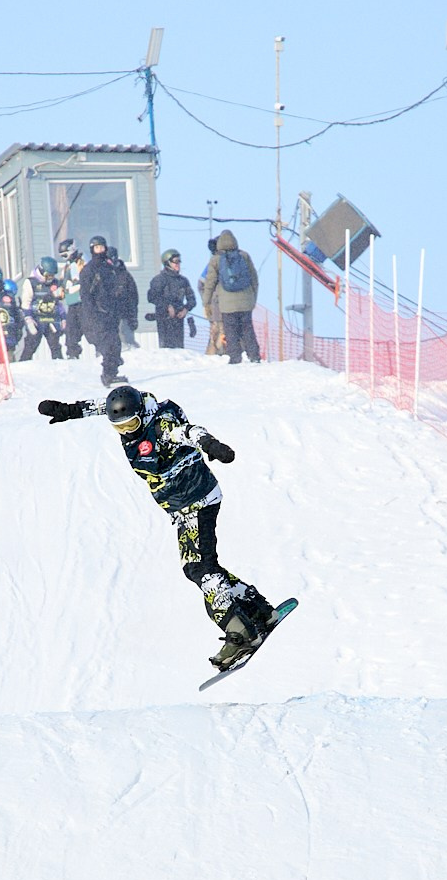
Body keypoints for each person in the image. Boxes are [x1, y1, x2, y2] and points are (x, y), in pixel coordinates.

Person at [38, 384, 282, 669]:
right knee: (198, 567)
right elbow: (101, 406)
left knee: (201, 569)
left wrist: (212, 445)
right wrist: (68, 411)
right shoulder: (129, 409)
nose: (127, 431)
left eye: (132, 424)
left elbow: (189, 432)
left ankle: (239, 631)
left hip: (197, 501)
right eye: (120, 427)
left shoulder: (162, 426)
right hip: (183, 506)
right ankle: (256, 609)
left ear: (142, 414)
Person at [79, 238, 137, 385]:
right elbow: (85, 295)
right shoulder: (89, 269)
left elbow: (122, 290)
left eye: (101, 247)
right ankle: (107, 374)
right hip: (97, 315)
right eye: (96, 248)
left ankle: (111, 373)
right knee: (109, 344)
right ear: (92, 249)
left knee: (116, 344)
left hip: (112, 313)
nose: (100, 251)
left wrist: (126, 313)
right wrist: (92, 313)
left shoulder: (111, 269)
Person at [208, 230, 261, 364]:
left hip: (227, 304)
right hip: (246, 302)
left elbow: (210, 282)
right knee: (247, 329)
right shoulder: (244, 256)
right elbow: (254, 278)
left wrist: (206, 302)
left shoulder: (216, 259)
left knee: (230, 331)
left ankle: (235, 357)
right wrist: (253, 298)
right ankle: (254, 355)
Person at [88, 237, 136, 349]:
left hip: (123, 314)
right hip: (106, 313)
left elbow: (133, 297)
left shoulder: (125, 275)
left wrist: (133, 316)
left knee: (126, 339)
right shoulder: (100, 272)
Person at [17, 257, 67, 361]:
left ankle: (60, 366)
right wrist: (28, 319)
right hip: (37, 319)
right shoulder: (31, 283)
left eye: (52, 276)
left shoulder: (55, 283)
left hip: (51, 319)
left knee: (55, 346)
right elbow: (26, 303)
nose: (50, 278)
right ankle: (23, 365)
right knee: (31, 344)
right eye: (48, 276)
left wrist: (63, 318)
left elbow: (59, 304)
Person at [148, 249, 197, 349]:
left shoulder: (183, 281)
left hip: (178, 319)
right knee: (166, 349)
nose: (178, 264)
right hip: (164, 318)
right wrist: (167, 306)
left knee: (179, 348)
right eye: (175, 261)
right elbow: (152, 297)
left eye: (179, 261)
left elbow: (191, 299)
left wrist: (185, 309)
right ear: (167, 263)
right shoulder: (159, 279)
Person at [59, 240, 86, 360]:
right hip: (72, 302)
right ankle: (72, 352)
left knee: (90, 327)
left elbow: (83, 280)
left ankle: (101, 351)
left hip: (83, 301)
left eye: (65, 255)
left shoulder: (82, 262)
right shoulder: (68, 266)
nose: (65, 258)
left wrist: (74, 288)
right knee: (71, 329)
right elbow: (64, 282)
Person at [0, 279, 26, 359]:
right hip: (6, 336)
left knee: (9, 356)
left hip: (10, 337)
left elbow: (18, 320)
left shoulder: (13, 304)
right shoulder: (3, 302)